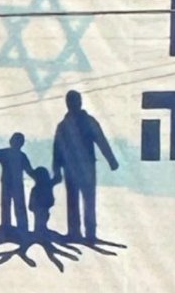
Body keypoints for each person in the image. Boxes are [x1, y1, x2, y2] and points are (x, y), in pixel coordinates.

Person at [52, 90, 119, 241]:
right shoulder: (63, 125)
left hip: (86, 167)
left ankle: (90, 234)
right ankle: (74, 232)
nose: (74, 104)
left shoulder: (87, 122)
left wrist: (111, 160)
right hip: (71, 168)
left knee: (88, 201)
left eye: (75, 101)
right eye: (71, 101)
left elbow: (101, 140)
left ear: (80, 102)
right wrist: (56, 170)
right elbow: (57, 149)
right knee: (73, 201)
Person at [0, 133, 34, 235]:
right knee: (9, 205)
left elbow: (29, 171)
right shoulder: (12, 154)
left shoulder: (12, 154)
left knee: (15, 205)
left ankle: (19, 228)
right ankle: (11, 226)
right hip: (10, 183)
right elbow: (30, 171)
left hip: (13, 183)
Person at [28, 166, 56, 237]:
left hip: (41, 207)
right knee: (40, 218)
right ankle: (39, 231)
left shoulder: (38, 188)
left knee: (40, 218)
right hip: (41, 207)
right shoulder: (44, 187)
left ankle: (40, 230)